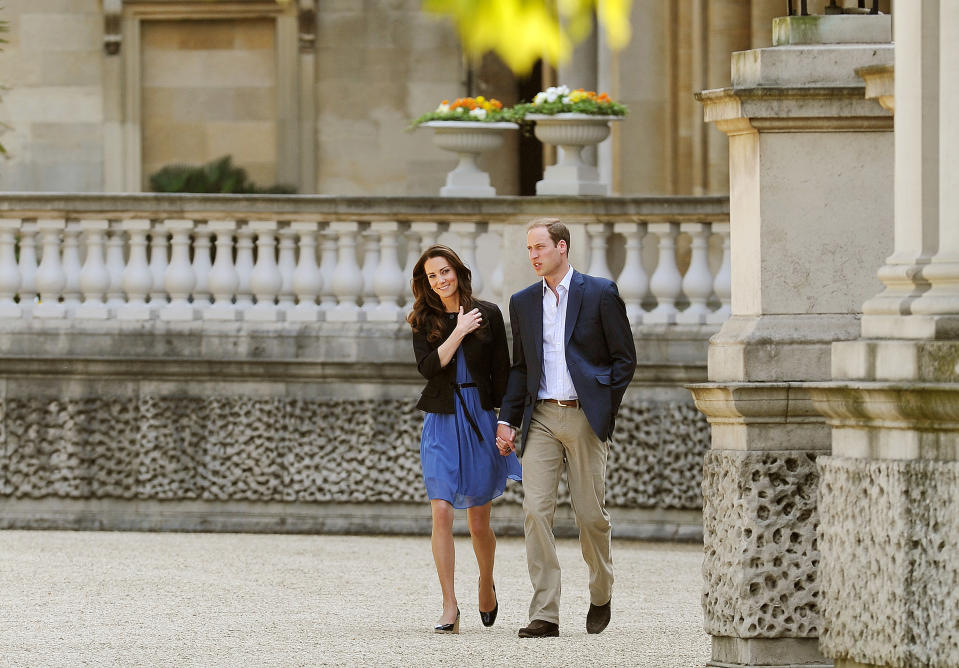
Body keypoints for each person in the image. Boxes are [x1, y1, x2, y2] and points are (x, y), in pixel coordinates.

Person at [495, 218, 637, 638]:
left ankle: (600, 591)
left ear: (562, 247)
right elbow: (521, 367)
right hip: (539, 417)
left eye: (540, 247)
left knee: (590, 515)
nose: (533, 255)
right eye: (529, 249)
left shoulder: (599, 293)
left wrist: (603, 406)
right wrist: (508, 419)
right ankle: (545, 612)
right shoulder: (522, 302)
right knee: (535, 511)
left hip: (584, 416)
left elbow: (624, 358)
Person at [408, 244, 522, 635]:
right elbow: (428, 368)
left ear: (458, 271)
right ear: (425, 282)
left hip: (478, 417)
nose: (440, 280)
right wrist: (457, 330)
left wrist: (506, 423)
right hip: (441, 421)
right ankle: (449, 606)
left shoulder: (488, 314)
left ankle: (485, 581)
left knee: (477, 520)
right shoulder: (422, 319)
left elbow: (504, 376)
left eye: (445, 272)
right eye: (432, 276)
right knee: (440, 510)